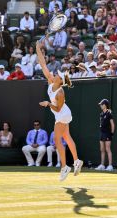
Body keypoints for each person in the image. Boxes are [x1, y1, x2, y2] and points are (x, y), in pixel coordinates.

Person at [36, 41, 83, 181]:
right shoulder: (51, 81)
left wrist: (47, 103)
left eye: (58, 74)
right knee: (67, 137)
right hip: (60, 114)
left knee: (57, 139)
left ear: (60, 80)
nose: (55, 74)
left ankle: (64, 167)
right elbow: (42, 63)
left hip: (63, 113)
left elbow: (57, 108)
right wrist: (39, 48)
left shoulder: (60, 93)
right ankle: (77, 161)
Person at [95, 99, 115, 172]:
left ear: (105, 105)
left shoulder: (109, 113)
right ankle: (102, 165)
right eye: (100, 104)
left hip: (107, 133)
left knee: (107, 149)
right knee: (102, 149)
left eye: (102, 104)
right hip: (102, 133)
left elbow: (112, 124)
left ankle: (110, 166)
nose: (100, 105)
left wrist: (112, 134)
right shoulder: (101, 114)